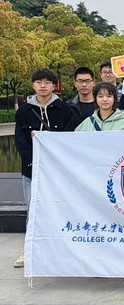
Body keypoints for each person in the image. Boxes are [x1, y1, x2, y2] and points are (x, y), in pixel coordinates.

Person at [14, 68, 79, 267]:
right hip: (32, 172)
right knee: (33, 210)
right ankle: (29, 252)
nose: (43, 86)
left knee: (62, 208)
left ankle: (62, 250)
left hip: (59, 173)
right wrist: (36, 163)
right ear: (33, 85)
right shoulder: (23, 111)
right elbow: (21, 143)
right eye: (38, 82)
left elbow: (71, 141)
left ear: (54, 86)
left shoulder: (66, 110)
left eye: (47, 82)